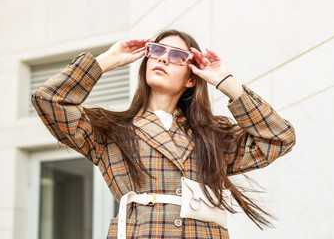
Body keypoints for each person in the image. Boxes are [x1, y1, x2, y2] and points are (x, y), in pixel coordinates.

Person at [31, 29, 296, 238]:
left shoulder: (212, 136)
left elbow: (279, 137)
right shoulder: (108, 130)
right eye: (157, 50)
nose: (163, 58)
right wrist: (107, 60)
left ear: (191, 78)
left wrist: (226, 82)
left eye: (178, 56)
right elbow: (49, 100)